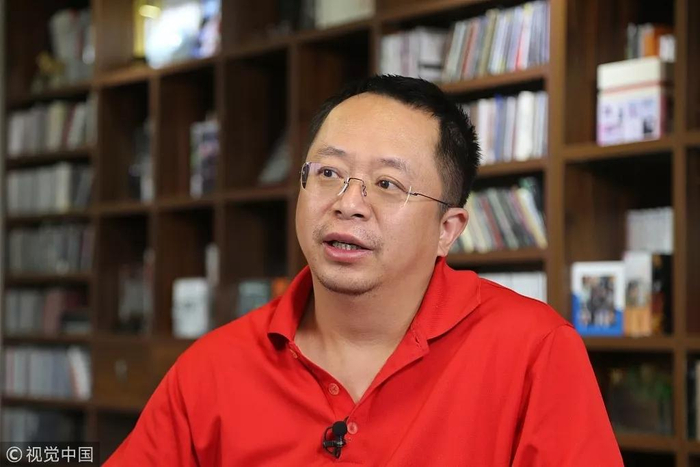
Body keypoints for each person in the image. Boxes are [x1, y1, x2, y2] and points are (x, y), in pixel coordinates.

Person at [104, 75, 623, 466]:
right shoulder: (212, 368)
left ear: (448, 229)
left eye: (388, 184)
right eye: (329, 172)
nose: (348, 203)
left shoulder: (534, 350)